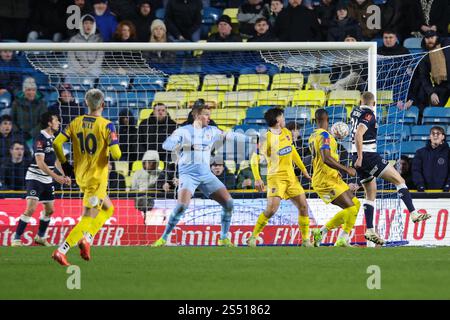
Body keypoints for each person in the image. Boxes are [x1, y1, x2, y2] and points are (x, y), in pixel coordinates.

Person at [151, 103, 250, 247]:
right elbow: (166, 145)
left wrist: (254, 139)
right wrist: (183, 145)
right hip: (188, 176)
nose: (209, 118)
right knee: (181, 207)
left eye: (209, 115)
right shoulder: (183, 131)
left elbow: (230, 135)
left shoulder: (212, 131)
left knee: (229, 203)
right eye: (206, 115)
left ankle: (223, 238)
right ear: (197, 116)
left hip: (206, 175)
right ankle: (163, 238)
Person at [51, 89, 122, 266]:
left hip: (80, 176)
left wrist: (65, 164)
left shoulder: (75, 122)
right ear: (103, 104)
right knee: (87, 219)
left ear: (86, 103)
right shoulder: (107, 125)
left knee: (109, 209)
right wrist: (112, 143)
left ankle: (87, 239)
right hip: (96, 180)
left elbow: (57, 143)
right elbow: (117, 154)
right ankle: (62, 250)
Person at [350, 92, 431, 246]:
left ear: (361, 101)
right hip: (367, 156)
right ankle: (413, 214)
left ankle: (369, 229)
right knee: (399, 180)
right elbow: (359, 134)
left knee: (370, 192)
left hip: (356, 156)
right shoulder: (369, 115)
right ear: (374, 104)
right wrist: (361, 156)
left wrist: (357, 156)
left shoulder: (355, 111)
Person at [248, 108, 313, 247]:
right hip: (276, 178)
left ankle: (306, 240)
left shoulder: (287, 132)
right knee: (271, 210)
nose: (284, 119)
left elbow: (293, 151)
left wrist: (304, 170)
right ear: (278, 120)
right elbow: (254, 158)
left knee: (303, 206)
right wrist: (257, 178)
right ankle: (253, 237)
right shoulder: (266, 138)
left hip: (291, 178)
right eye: (282, 117)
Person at [11, 112, 71, 247]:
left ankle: (40, 237)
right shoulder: (39, 139)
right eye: (56, 120)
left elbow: (56, 161)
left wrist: (65, 175)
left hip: (47, 179)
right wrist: (57, 177)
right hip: (35, 177)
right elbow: (40, 163)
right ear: (49, 123)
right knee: (31, 208)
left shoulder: (54, 139)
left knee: (50, 210)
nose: (59, 123)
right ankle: (16, 238)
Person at [307, 109, 360, 247]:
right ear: (328, 119)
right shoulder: (325, 136)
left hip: (332, 177)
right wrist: (346, 169)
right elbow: (326, 159)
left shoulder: (313, 135)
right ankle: (331, 235)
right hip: (325, 181)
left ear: (315, 120)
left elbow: (323, 158)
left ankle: (338, 237)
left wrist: (336, 170)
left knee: (356, 204)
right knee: (351, 209)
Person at [417, 30, 450, 109]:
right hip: (440, 86)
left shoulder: (447, 46)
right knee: (436, 109)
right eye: (427, 38)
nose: (430, 40)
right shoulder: (424, 56)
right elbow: (424, 77)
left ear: (437, 37)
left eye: (432, 37)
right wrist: (431, 93)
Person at [412, 126, 450, 192]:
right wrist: (420, 185)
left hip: (446, 192)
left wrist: (448, 185)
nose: (435, 135)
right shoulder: (420, 152)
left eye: (438, 133)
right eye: (433, 133)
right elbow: (416, 170)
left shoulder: (448, 152)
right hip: (424, 192)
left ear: (443, 137)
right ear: (430, 136)